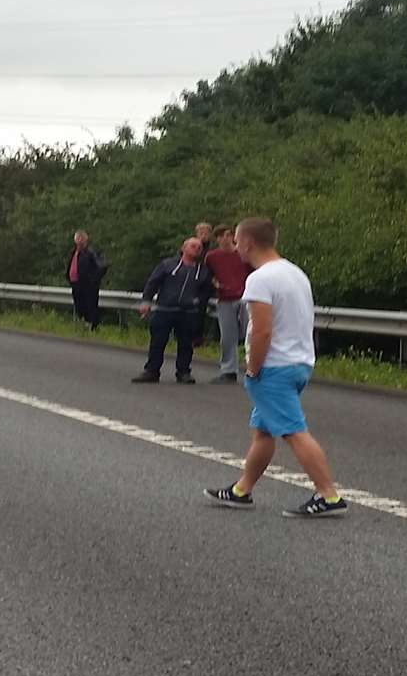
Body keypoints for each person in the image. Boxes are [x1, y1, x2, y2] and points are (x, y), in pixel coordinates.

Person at [204, 217, 348, 518]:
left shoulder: (260, 279)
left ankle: (328, 495)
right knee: (264, 431)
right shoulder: (295, 273)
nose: (236, 248)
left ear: (248, 243)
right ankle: (242, 490)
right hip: (299, 361)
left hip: (274, 366)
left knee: (294, 431)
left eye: (238, 242)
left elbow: (261, 330)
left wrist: (253, 368)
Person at [131, 237, 213, 384]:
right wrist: (146, 301)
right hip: (165, 309)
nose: (196, 249)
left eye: (199, 247)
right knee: (158, 341)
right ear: (183, 248)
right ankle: (151, 371)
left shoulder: (202, 271)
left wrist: (197, 301)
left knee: (186, 344)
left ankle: (183, 372)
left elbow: (206, 290)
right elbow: (153, 282)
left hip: (188, 312)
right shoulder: (168, 265)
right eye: (193, 246)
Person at [205, 224, 251, 382]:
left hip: (245, 297)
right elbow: (207, 274)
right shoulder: (212, 257)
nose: (224, 239)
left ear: (233, 237)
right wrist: (214, 283)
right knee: (227, 336)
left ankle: (256, 367)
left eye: (227, 235)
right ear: (216, 239)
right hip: (224, 298)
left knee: (250, 332)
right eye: (220, 236)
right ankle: (229, 370)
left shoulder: (243, 254)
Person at [66, 230, 105, 329]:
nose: (79, 241)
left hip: (89, 285)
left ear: (85, 240)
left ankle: (94, 328)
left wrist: (94, 280)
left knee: (91, 307)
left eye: (81, 239)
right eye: (77, 238)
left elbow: (101, 266)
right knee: (79, 306)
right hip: (76, 284)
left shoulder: (91, 252)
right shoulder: (73, 252)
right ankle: (83, 326)